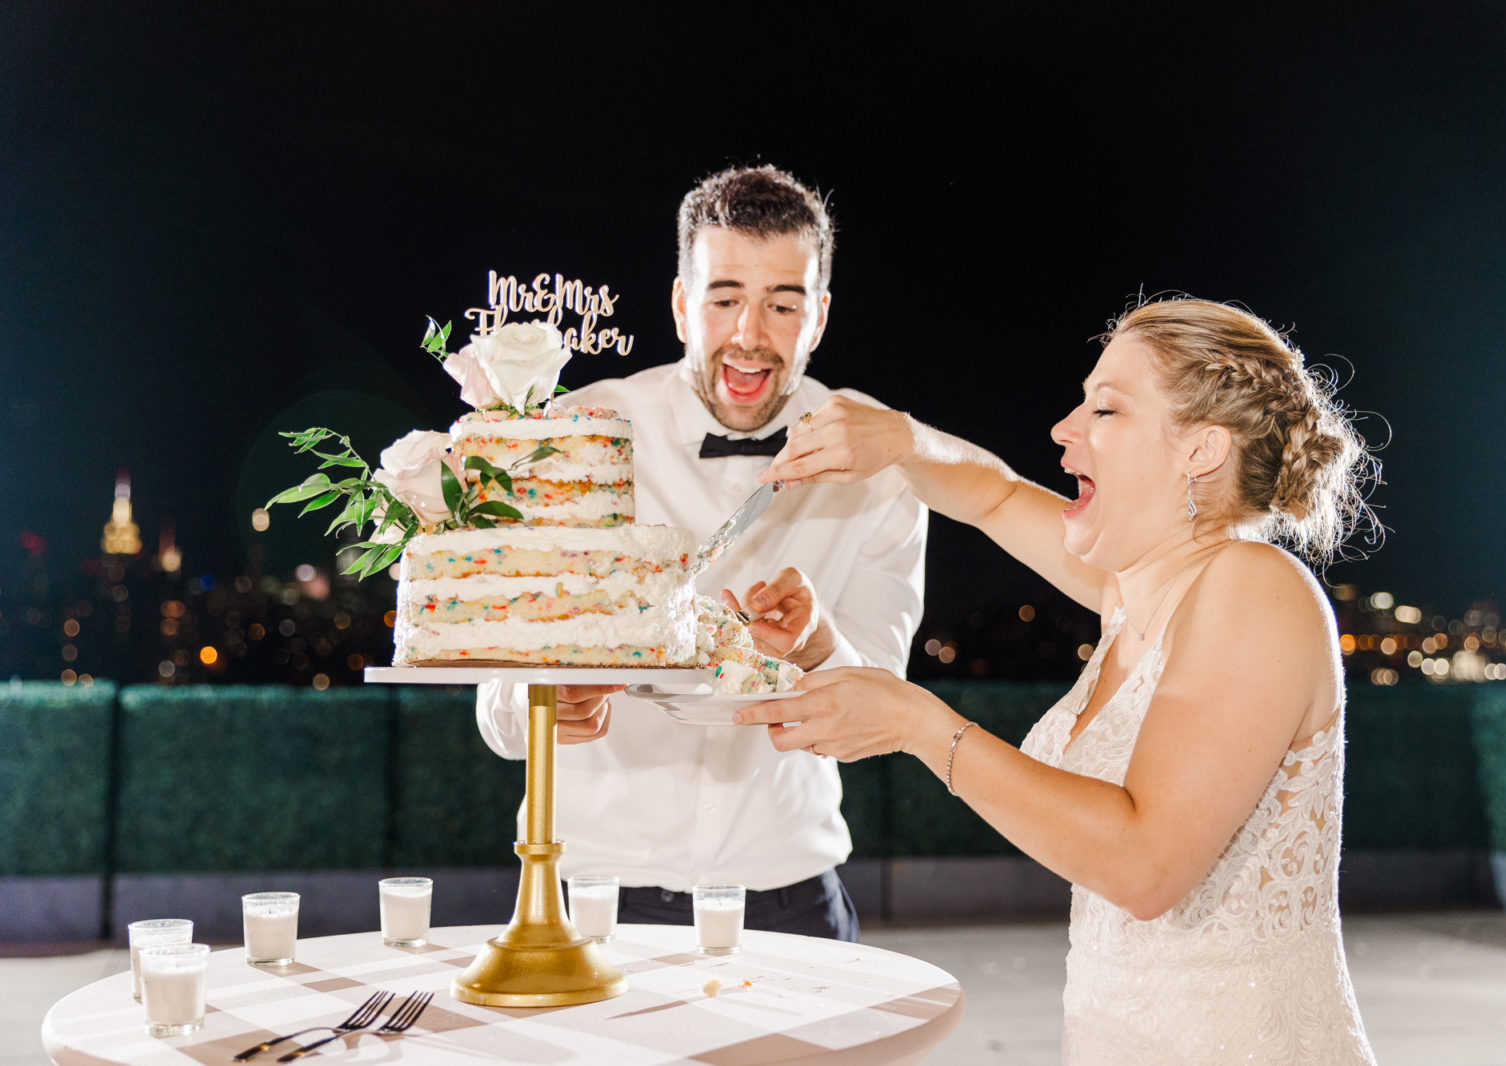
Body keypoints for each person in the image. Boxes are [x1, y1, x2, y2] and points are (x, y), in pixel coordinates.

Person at [742, 297, 1380, 1062]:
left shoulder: (1255, 587)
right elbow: (994, 495)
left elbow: (1146, 866)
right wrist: (901, 442)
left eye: (1105, 409)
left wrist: (922, 725)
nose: (1064, 429)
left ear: (1200, 451)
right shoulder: (1132, 595)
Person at [475, 165, 928, 941]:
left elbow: (880, 715)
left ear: (817, 317)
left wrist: (821, 646)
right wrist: (545, 706)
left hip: (792, 898)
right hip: (588, 899)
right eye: (724, 299)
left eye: (782, 304)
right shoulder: (576, 433)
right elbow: (498, 708)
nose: (750, 334)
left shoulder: (879, 456)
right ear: (683, 304)